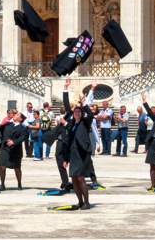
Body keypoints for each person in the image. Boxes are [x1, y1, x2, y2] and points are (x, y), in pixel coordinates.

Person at [61, 78, 95, 210]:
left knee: (81, 178)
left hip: (83, 153)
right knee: (74, 179)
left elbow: (90, 114)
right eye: (75, 111)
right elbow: (68, 143)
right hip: (73, 153)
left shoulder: (85, 123)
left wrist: (84, 103)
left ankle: (87, 202)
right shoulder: (71, 124)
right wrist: (65, 88)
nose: (77, 112)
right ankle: (79, 201)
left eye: (79, 111)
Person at [0, 110, 28, 190]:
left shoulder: (23, 128)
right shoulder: (8, 125)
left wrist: (14, 142)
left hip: (15, 150)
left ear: (20, 119)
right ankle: (2, 184)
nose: (15, 115)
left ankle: (19, 183)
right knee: (2, 167)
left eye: (17, 114)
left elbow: (23, 137)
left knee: (17, 167)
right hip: (5, 149)